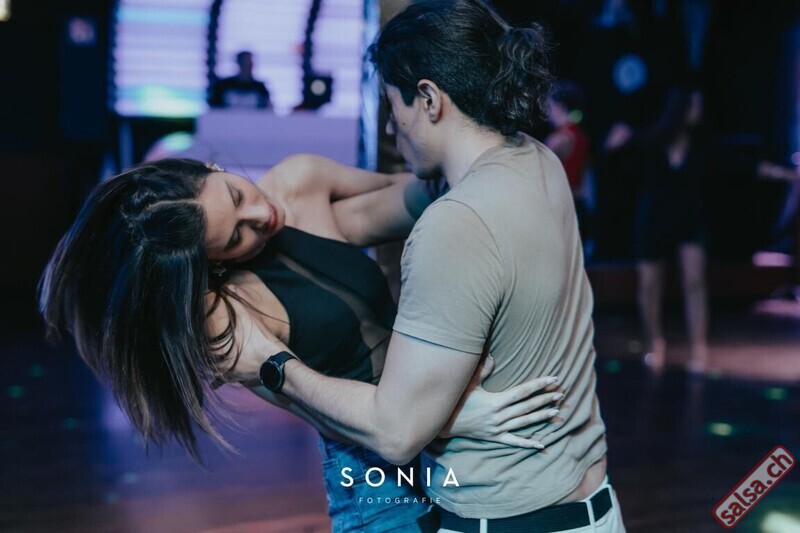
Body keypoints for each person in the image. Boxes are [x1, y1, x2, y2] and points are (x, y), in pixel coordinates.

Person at [225, 1, 624, 532]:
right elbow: (354, 219)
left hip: (512, 520)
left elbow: (396, 434)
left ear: (430, 99)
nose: (392, 128)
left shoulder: (454, 225)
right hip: (595, 507)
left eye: (394, 106)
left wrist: (273, 364)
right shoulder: (537, 160)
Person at [39, 155, 562, 532]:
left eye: (237, 196)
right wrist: (448, 416)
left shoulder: (300, 182)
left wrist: (475, 160)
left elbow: (412, 193)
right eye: (236, 237)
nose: (260, 218)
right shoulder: (226, 317)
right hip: (375, 469)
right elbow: (332, 417)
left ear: (216, 169)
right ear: (212, 264)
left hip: (445, 423)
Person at [606, 87, 709, 373]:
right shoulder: (653, 140)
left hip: (689, 217)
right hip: (654, 218)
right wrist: (616, 142)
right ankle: (654, 341)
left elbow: (732, 164)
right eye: (694, 105)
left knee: (694, 281)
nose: (698, 111)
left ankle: (698, 346)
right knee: (649, 283)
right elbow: (617, 155)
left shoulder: (701, 142)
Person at [546, 80, 592, 246]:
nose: (548, 113)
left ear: (560, 106)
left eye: (550, 107)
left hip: (563, 208)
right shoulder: (582, 136)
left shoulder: (558, 139)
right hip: (580, 206)